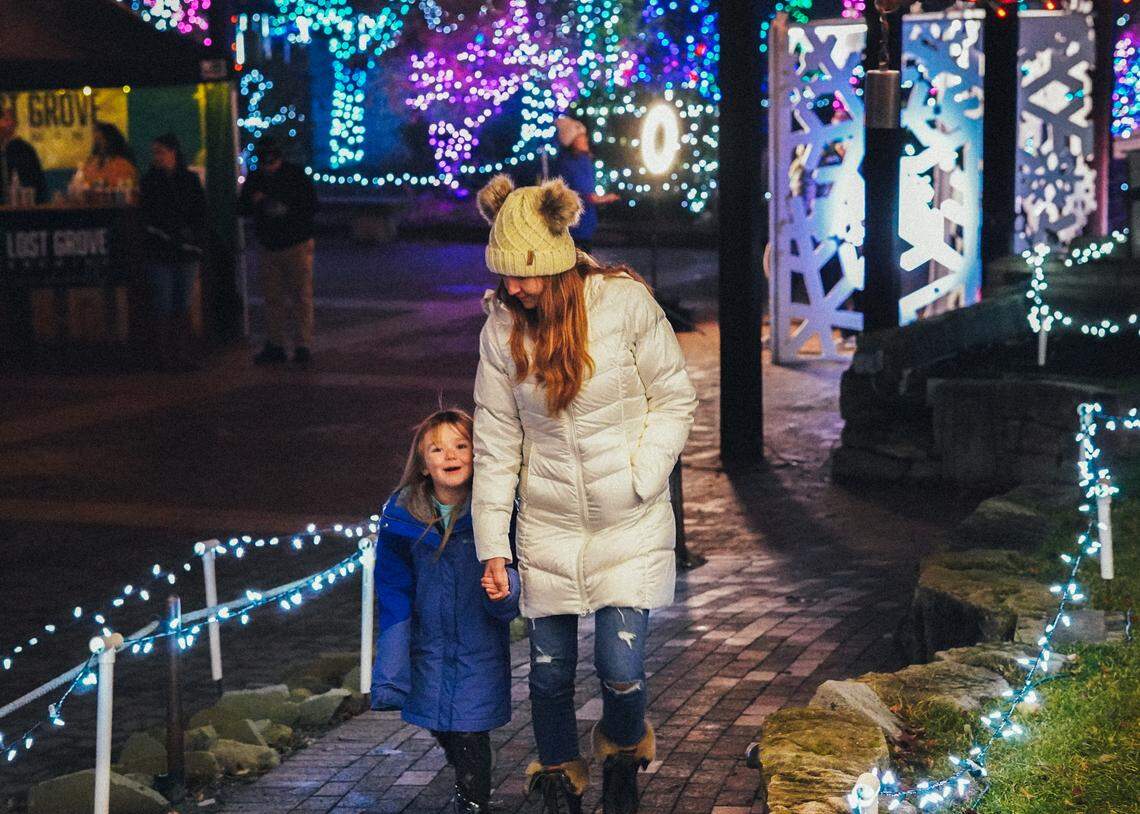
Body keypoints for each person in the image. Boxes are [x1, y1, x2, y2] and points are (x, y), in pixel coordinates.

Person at [472, 175, 697, 814]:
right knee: (546, 674)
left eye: (523, 274)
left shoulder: (624, 304)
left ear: (557, 260)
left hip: (626, 521)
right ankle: (559, 778)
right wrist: (494, 546)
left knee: (620, 672)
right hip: (546, 525)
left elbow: (674, 397)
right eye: (504, 273)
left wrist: (641, 475)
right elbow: (495, 442)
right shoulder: (501, 331)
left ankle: (623, 753)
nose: (512, 287)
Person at [372, 409, 521, 814]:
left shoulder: (495, 511)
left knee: (471, 732)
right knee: (442, 724)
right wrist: (391, 663)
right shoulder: (403, 517)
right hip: (429, 646)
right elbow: (393, 589)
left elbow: (516, 569)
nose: (450, 455)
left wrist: (505, 592)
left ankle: (472, 802)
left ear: (478, 454)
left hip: (479, 645)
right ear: (423, 464)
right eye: (437, 449)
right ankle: (464, 779)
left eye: (461, 445)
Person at [238, 137, 319, 365]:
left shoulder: (293, 176)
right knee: (275, 297)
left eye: (271, 162)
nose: (269, 167)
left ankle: (301, 344)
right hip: (271, 245)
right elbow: (242, 207)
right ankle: (278, 344)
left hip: (294, 243)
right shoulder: (258, 178)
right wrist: (256, 203)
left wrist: (269, 201)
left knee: (299, 295)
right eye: (265, 163)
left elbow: (310, 205)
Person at [138, 133, 207, 371]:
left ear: (172, 153)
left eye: (160, 152)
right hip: (164, 250)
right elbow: (148, 215)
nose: (157, 157)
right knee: (165, 304)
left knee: (181, 304)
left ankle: (181, 354)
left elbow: (200, 212)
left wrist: (190, 234)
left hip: (182, 249)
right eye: (155, 152)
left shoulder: (188, 180)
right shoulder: (150, 181)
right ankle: (168, 356)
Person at [551, 116, 619, 254]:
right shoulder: (579, 162)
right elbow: (587, 195)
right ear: (572, 141)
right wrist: (608, 198)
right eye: (581, 137)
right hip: (580, 227)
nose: (585, 139)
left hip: (568, 226)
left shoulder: (563, 162)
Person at [71, 122, 138, 195]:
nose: (99, 144)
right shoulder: (90, 164)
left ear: (111, 141)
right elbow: (78, 187)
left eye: (101, 139)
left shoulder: (123, 165)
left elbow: (126, 190)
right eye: (96, 140)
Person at [0, 101, 46, 205]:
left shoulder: (25, 149)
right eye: (2, 119)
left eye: (7, 120)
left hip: (23, 207)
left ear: (14, 123)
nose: (3, 124)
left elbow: (38, 183)